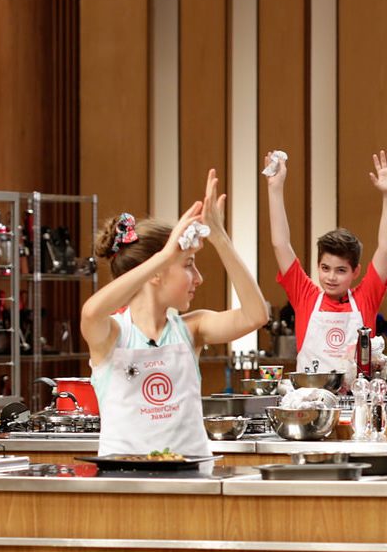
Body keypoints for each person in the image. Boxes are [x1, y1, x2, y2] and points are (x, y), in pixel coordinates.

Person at [82, 169, 269, 459]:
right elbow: (91, 312)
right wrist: (166, 256)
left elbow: (256, 315)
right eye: (188, 265)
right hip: (123, 477)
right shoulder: (114, 334)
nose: (199, 278)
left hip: (190, 475)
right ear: (156, 273)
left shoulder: (192, 329)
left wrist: (220, 238)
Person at [266, 149, 387, 380]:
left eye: (341, 270)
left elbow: (386, 248)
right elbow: (280, 244)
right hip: (310, 396)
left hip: (357, 396)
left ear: (356, 271)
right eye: (325, 268)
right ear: (318, 266)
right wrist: (274, 189)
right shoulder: (305, 296)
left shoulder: (366, 297)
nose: (331, 277)